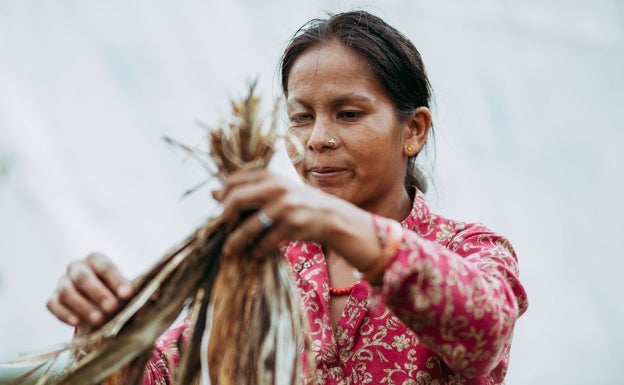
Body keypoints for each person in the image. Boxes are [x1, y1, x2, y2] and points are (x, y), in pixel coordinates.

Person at [46, 10, 528, 385]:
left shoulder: (468, 248)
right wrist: (106, 329)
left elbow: (485, 329)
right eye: (301, 117)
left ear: (414, 130)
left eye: (348, 113)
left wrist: (335, 221)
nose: (317, 138)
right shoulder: (258, 264)